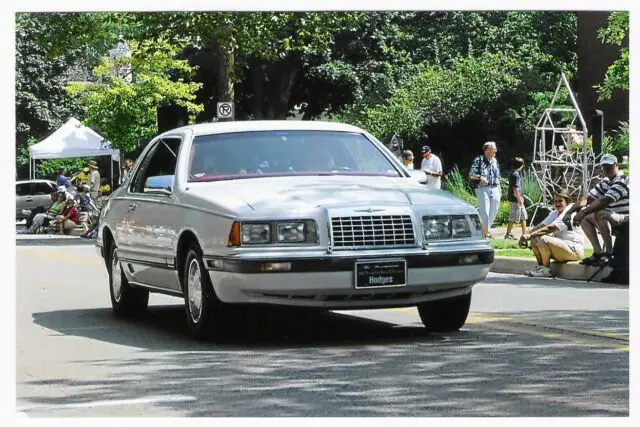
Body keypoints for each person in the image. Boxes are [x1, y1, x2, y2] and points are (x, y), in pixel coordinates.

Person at [571, 154, 629, 283]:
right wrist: (570, 212)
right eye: (605, 167)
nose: (607, 170)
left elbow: (604, 200)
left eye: (610, 167)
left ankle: (608, 253)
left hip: (627, 218)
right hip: (615, 217)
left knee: (600, 213)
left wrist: (583, 212)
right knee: (587, 218)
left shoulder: (623, 180)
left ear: (616, 166)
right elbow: (588, 199)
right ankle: (598, 253)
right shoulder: (605, 182)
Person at [519, 189, 584, 278]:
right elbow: (541, 225)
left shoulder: (569, 213)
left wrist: (530, 235)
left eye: (560, 201)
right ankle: (540, 267)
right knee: (535, 237)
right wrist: (526, 235)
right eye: (555, 201)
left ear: (567, 201)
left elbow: (550, 228)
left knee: (542, 238)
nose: (557, 204)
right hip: (562, 248)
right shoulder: (555, 213)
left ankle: (546, 269)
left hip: (574, 250)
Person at [469, 141, 501, 238]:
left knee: (494, 211)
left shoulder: (495, 161)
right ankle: (485, 234)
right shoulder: (479, 160)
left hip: (495, 187)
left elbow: (498, 176)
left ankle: (485, 230)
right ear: (487, 150)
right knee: (485, 212)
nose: (495, 150)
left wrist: (499, 189)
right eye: (493, 149)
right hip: (482, 188)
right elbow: (471, 175)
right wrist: (480, 177)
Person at [504, 157, 528, 240]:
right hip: (515, 200)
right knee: (513, 217)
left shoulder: (514, 173)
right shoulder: (515, 175)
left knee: (523, 216)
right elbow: (515, 189)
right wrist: (519, 199)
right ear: (520, 165)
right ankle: (508, 234)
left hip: (518, 199)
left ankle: (524, 234)